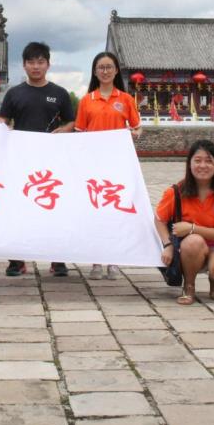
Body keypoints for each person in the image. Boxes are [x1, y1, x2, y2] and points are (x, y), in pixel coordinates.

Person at [0, 41, 75, 277]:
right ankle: (17, 260)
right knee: (19, 208)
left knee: (54, 208)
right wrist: (0, 127)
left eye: (40, 62)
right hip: (21, 161)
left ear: (48, 64)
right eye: (31, 62)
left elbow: (72, 121)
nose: (36, 66)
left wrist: (65, 130)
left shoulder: (59, 93)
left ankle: (57, 259)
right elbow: (3, 121)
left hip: (52, 163)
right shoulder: (14, 93)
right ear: (24, 65)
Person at [75, 51, 141, 280]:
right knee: (95, 212)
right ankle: (96, 260)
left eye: (109, 67)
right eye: (100, 67)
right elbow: (79, 132)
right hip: (93, 166)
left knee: (115, 211)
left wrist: (134, 133)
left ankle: (114, 260)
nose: (105, 71)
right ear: (95, 72)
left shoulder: (126, 99)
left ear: (116, 71)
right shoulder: (87, 100)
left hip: (117, 164)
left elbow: (137, 127)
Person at [155, 139, 214, 305]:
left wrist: (191, 228)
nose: (203, 166)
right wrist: (168, 245)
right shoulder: (176, 192)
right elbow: (159, 220)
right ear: (189, 163)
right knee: (193, 241)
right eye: (198, 160)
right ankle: (189, 285)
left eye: (209, 161)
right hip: (190, 247)